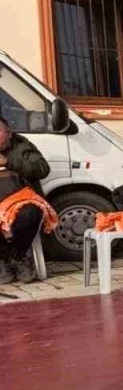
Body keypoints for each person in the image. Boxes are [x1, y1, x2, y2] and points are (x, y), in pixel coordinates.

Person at [0, 117, 53, 284]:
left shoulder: (22, 147)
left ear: (9, 134)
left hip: (20, 200)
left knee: (30, 213)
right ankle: (4, 259)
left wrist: (8, 162)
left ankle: (17, 256)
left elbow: (42, 169)